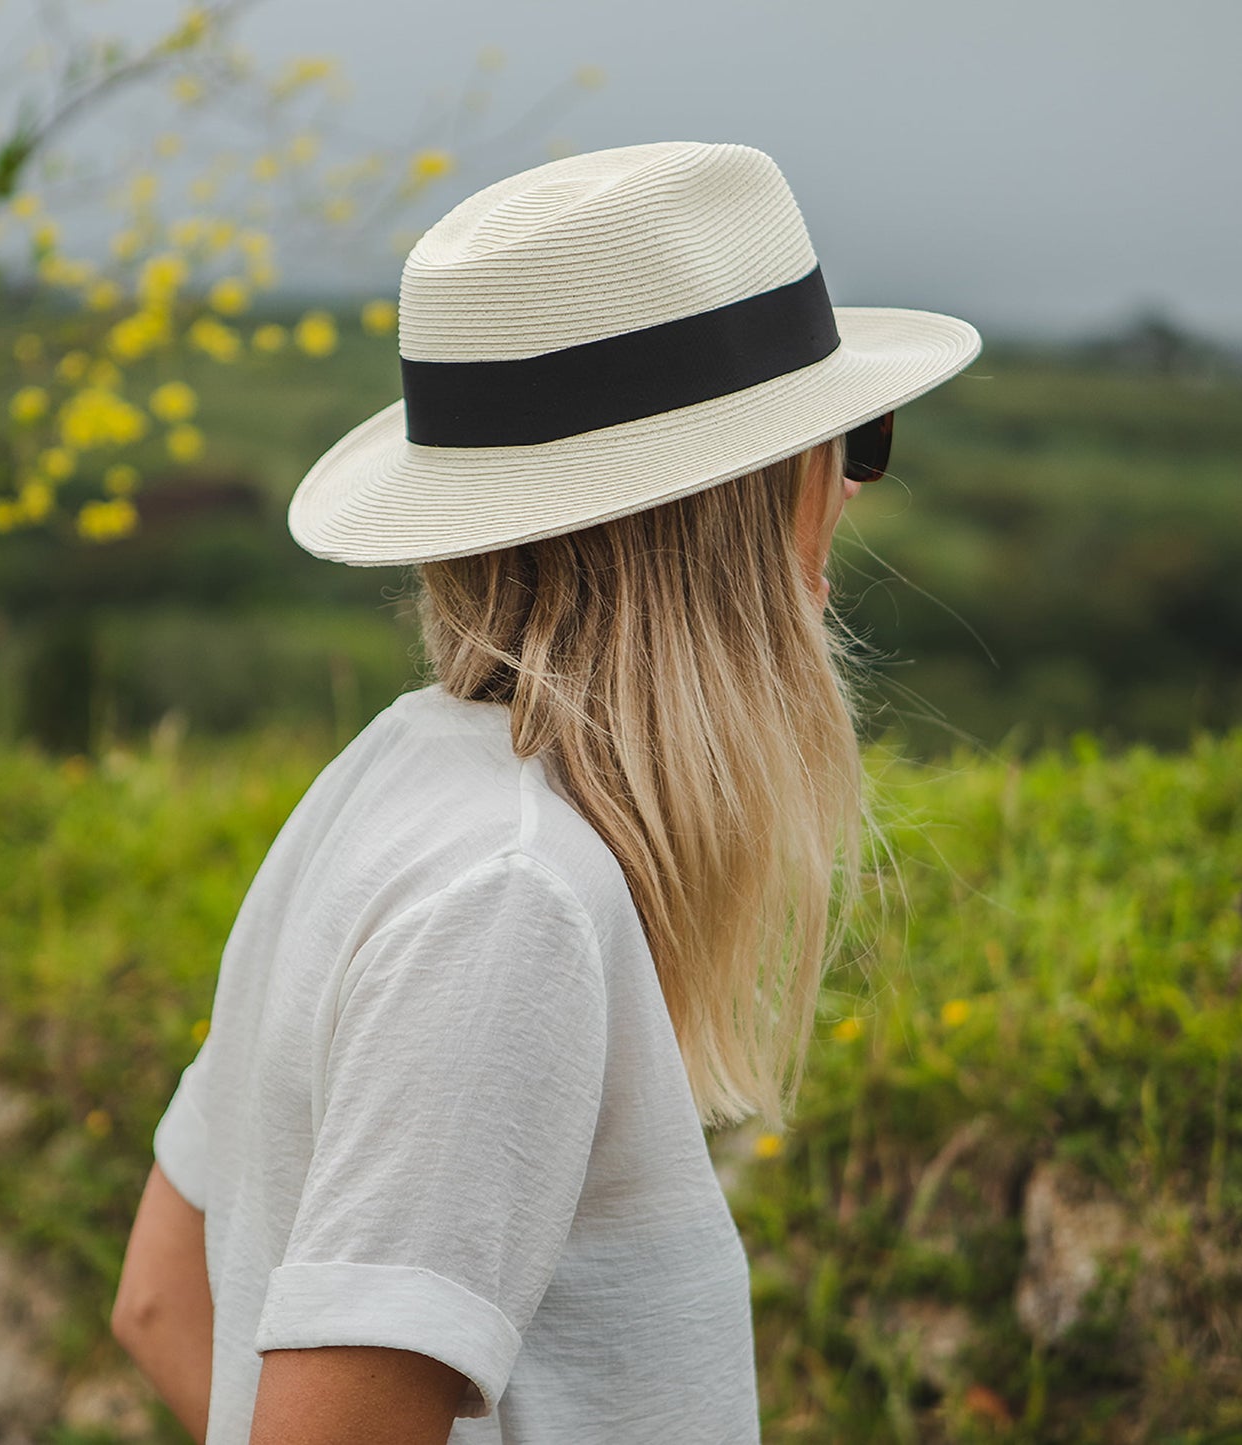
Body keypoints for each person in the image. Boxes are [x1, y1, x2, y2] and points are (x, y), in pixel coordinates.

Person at [111, 140, 981, 1444]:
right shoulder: (513, 899)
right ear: (760, 505)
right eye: (850, 443)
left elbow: (162, 1301)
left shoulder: (389, 782)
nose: (850, 494)